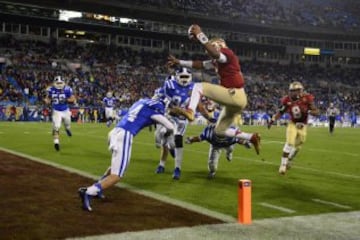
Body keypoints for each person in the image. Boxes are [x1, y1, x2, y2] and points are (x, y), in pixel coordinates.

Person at [167, 24, 261, 155]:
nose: (209, 49)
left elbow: (216, 54)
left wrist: (200, 35)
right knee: (219, 131)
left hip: (234, 94)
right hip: (236, 101)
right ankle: (251, 137)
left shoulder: (227, 53)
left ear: (219, 44)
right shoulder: (219, 60)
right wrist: (179, 62)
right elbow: (200, 65)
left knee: (198, 86)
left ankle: (190, 111)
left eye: (213, 45)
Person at [78, 97, 174, 211]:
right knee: (117, 175)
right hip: (125, 135)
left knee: (115, 167)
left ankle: (99, 188)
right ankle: (89, 192)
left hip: (115, 132)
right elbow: (170, 127)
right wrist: (167, 133)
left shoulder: (140, 102)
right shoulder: (154, 111)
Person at [267, 81, 320, 174]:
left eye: (298, 91)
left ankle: (290, 158)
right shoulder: (287, 100)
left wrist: (308, 111)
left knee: (299, 145)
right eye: (294, 91)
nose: (296, 93)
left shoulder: (307, 98)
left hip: (303, 125)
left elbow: (316, 112)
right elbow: (281, 112)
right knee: (290, 143)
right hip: (292, 124)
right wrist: (272, 120)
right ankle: (283, 165)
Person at [154, 68, 197, 180]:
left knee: (178, 140)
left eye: (186, 77)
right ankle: (162, 164)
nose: (184, 79)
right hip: (170, 116)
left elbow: (197, 104)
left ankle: (177, 168)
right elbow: (164, 102)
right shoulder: (169, 85)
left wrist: (205, 116)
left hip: (182, 119)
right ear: (177, 76)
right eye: (182, 76)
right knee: (163, 139)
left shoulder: (194, 88)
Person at [185, 124, 251, 179]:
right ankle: (212, 171)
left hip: (228, 144)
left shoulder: (232, 131)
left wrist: (245, 143)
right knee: (212, 163)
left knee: (230, 149)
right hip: (215, 145)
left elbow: (238, 139)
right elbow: (200, 138)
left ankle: (229, 153)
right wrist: (191, 140)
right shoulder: (209, 132)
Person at [44, 76, 76, 151]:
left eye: (60, 83)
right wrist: (46, 100)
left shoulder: (67, 89)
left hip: (65, 110)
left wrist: (66, 100)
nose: (59, 84)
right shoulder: (50, 90)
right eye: (58, 83)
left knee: (67, 124)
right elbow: (47, 99)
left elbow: (73, 99)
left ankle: (67, 129)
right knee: (56, 127)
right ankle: (56, 142)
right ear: (54, 83)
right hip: (56, 111)